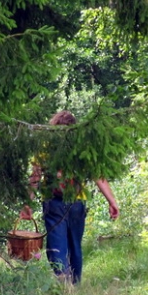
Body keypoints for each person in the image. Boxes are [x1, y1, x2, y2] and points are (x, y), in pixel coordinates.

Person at [20, 110, 119, 284]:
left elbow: (35, 177)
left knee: (56, 247)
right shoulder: (82, 148)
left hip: (54, 203)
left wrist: (27, 203)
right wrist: (112, 202)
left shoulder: (45, 147)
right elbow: (99, 176)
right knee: (75, 247)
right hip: (77, 203)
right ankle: (75, 285)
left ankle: (65, 285)